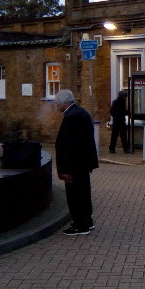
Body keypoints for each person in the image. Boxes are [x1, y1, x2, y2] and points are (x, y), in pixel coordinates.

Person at [54, 89, 99, 236]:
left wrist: (65, 169)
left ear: (63, 103)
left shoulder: (72, 117)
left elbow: (70, 146)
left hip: (75, 165)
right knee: (84, 193)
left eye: (57, 103)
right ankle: (87, 221)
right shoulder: (80, 112)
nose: (56, 106)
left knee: (75, 196)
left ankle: (81, 225)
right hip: (83, 163)